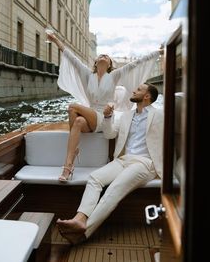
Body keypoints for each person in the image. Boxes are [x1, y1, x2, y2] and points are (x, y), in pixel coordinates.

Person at [56, 83, 164, 244]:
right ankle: (80, 218)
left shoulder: (160, 115)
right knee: (94, 178)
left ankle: (84, 231)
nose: (134, 90)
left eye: (139, 89)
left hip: (145, 163)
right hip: (123, 159)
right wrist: (107, 117)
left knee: (115, 188)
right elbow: (109, 134)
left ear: (147, 96)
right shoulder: (127, 116)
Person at [47, 31, 162, 182]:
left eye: (107, 57)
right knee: (78, 122)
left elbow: (136, 64)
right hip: (91, 116)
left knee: (72, 107)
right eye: (101, 56)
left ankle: (73, 155)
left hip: (104, 117)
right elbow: (70, 56)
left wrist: (156, 53)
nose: (103, 56)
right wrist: (55, 40)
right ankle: (68, 166)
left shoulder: (114, 76)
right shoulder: (88, 75)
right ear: (95, 62)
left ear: (109, 65)